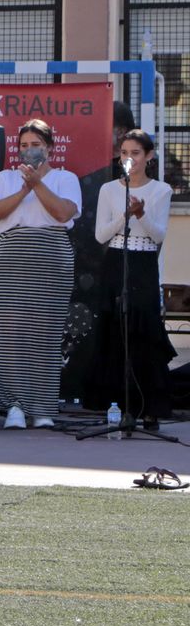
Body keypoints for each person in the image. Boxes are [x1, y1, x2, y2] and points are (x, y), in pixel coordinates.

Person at [0, 118, 80, 430]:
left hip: (51, 260)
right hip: (9, 261)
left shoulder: (66, 178)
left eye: (36, 145)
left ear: (49, 148)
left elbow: (63, 212)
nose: (29, 150)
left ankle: (42, 407)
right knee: (10, 336)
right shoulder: (6, 178)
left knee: (45, 335)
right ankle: (14, 406)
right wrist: (24, 187)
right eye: (24, 145)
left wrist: (37, 184)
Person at [91, 129, 176, 430]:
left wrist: (141, 215)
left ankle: (150, 407)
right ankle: (118, 406)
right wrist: (124, 216)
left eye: (136, 153)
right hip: (116, 260)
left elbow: (158, 235)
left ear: (149, 156)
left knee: (144, 331)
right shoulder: (108, 190)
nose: (129, 158)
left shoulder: (161, 190)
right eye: (124, 153)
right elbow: (100, 234)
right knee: (116, 329)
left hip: (143, 263)